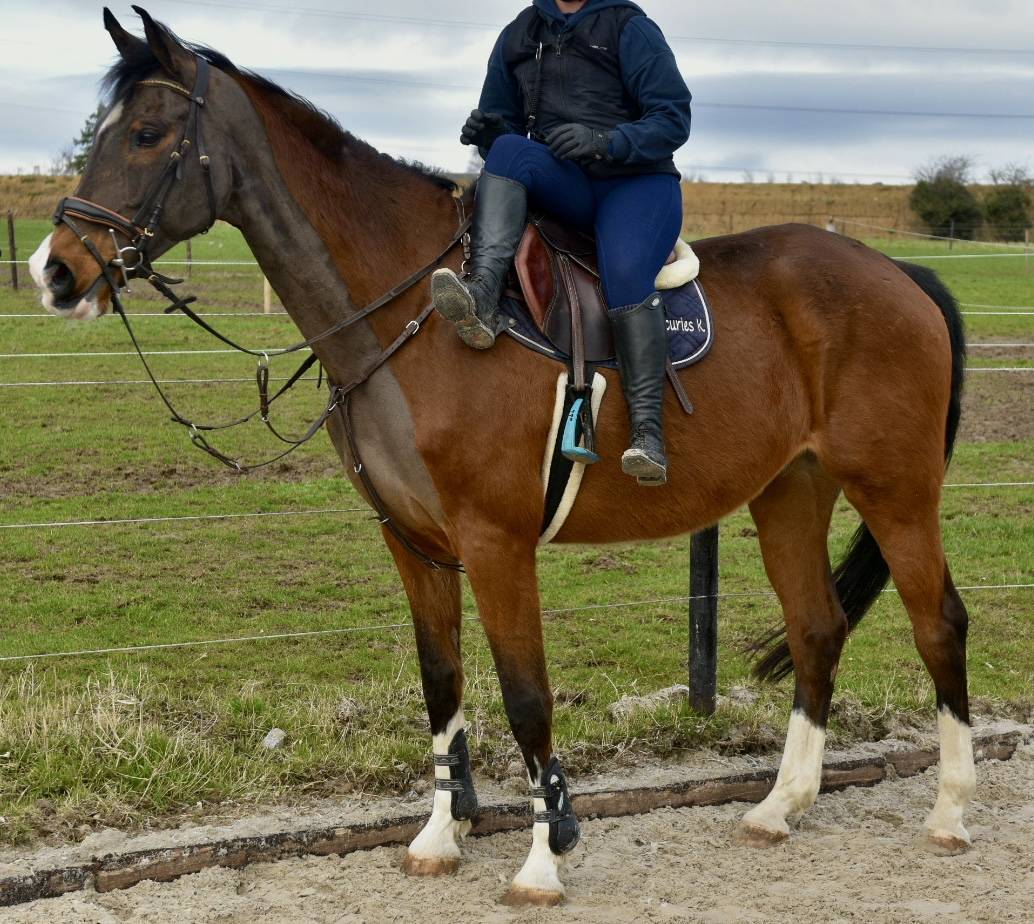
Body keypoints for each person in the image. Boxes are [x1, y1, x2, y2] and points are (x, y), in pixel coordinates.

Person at [432, 0, 692, 485]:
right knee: (509, 152)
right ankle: (481, 297)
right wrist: (490, 134)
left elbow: (673, 118)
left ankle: (648, 434)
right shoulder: (518, 34)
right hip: (568, 180)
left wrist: (604, 140)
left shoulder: (630, 27)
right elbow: (505, 125)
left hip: (637, 184)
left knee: (626, 274)